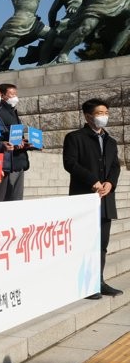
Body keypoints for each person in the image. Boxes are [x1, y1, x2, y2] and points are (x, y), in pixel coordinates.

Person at [63, 99, 122, 298]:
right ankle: (85, 283)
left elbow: (115, 166)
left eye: (106, 112)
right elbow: (70, 163)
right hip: (84, 197)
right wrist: (93, 181)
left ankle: (99, 280)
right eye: (100, 112)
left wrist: (110, 183)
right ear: (88, 116)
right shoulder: (75, 137)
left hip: (105, 199)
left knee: (102, 243)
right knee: (85, 241)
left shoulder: (110, 141)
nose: (104, 116)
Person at [0, 83, 29, 201]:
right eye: (12, 94)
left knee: (17, 197)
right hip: (9, 161)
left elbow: (17, 134)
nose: (15, 97)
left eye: (16, 94)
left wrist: (28, 144)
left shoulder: (12, 111)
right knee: (9, 197)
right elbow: (1, 134)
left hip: (19, 159)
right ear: (2, 95)